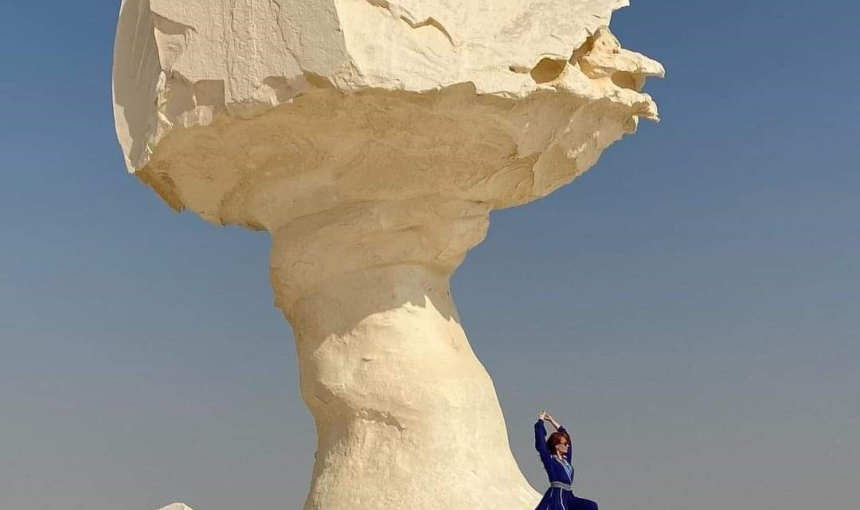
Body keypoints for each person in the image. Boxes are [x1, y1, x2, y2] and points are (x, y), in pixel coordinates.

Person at [533, 410, 598, 510]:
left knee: (591, 506)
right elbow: (541, 443)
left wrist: (551, 420)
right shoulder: (550, 460)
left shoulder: (566, 461)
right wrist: (540, 421)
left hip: (568, 496)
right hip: (556, 496)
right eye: (564, 444)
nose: (567, 446)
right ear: (557, 446)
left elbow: (566, 435)